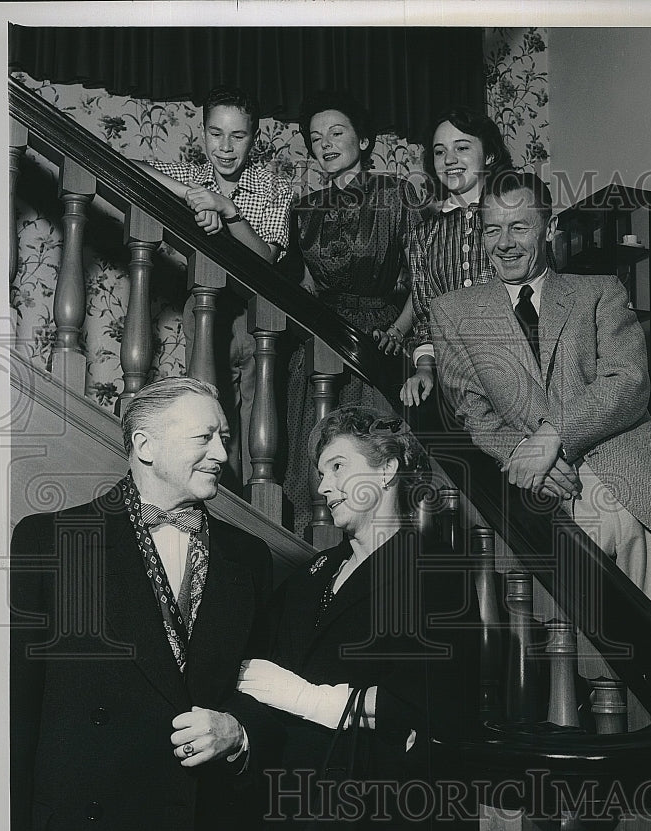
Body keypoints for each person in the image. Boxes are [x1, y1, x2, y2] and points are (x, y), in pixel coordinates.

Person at [9, 377, 277, 831]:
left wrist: (238, 729)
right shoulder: (53, 543)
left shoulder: (250, 559)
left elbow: (266, 685)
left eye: (226, 438)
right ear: (145, 444)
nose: (225, 456)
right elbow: (13, 717)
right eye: (206, 437)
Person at [239, 406, 493, 831]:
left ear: (387, 470)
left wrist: (304, 697)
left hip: (377, 827)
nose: (322, 485)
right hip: (293, 812)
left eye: (335, 466)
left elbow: (435, 706)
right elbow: (256, 672)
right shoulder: (313, 574)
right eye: (320, 471)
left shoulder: (434, 570)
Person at [431, 171, 651, 633]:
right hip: (547, 494)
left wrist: (550, 436)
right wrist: (522, 453)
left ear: (549, 228)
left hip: (638, 486)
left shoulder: (600, 291)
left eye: (519, 227)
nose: (505, 243)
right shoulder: (453, 312)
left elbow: (629, 383)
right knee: (580, 653)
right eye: (493, 229)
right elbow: (473, 414)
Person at [133, 86, 293, 495]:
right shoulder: (194, 177)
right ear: (203, 132)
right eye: (216, 133)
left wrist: (228, 210)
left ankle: (256, 518)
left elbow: (266, 258)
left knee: (258, 425)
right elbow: (132, 166)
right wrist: (192, 195)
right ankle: (220, 509)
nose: (225, 146)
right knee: (208, 420)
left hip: (257, 323)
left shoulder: (276, 188)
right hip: (205, 316)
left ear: (253, 137)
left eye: (237, 136)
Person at [283, 91, 423, 536]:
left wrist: (398, 331)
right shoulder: (302, 212)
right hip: (321, 342)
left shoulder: (397, 194)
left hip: (379, 341)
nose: (323, 143)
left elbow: (424, 277)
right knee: (315, 456)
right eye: (315, 137)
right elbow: (301, 288)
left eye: (336, 132)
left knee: (374, 460)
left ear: (363, 141)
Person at [392, 107, 513, 407]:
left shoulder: (515, 216)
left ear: (489, 156)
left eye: (462, 147)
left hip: (515, 368)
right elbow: (424, 317)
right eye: (439, 151)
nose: (449, 159)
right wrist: (424, 372)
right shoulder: (423, 235)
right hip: (453, 381)